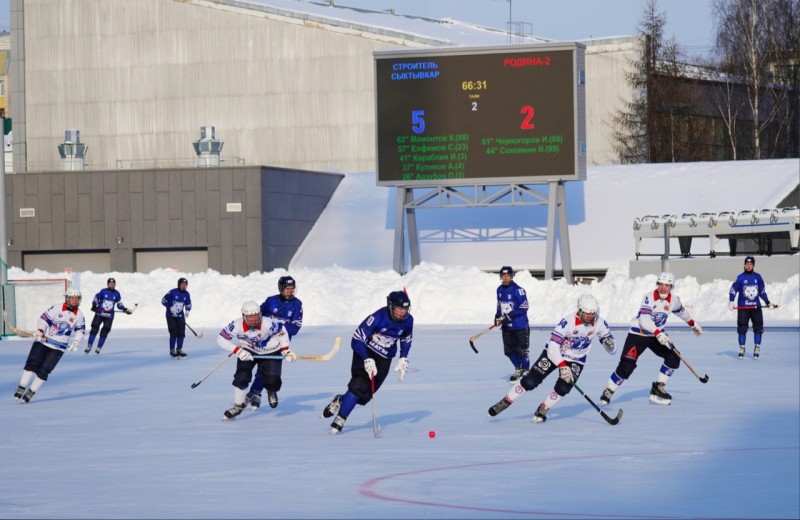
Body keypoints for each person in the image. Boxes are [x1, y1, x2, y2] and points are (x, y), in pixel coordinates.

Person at [487, 294, 616, 423]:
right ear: (580, 310)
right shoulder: (567, 322)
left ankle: (544, 408)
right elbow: (553, 347)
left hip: (577, 359)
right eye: (587, 313)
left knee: (564, 387)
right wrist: (562, 365)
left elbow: (612, 350)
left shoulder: (600, 323)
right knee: (530, 381)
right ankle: (506, 401)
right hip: (554, 354)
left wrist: (609, 345)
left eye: (592, 313)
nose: (590, 316)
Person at [598, 272, 703, 406]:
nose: (663, 288)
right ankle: (609, 391)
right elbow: (644, 319)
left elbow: (681, 312)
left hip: (656, 336)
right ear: (657, 284)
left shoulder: (674, 300)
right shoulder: (649, 297)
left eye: (667, 285)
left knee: (674, 357)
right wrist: (658, 333)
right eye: (661, 284)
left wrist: (693, 324)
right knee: (627, 366)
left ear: (671, 286)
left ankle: (658, 388)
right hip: (638, 334)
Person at [322, 290, 413, 435]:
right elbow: (356, 339)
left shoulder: (408, 321)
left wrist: (403, 357)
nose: (403, 312)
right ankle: (340, 418)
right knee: (358, 386)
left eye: (405, 309)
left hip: (385, 358)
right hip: (366, 352)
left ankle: (340, 400)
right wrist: (366, 358)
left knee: (364, 397)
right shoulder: (377, 317)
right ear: (390, 306)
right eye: (399, 309)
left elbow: (406, 339)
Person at [216, 300, 296, 420]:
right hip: (248, 351)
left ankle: (271, 390)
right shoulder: (236, 325)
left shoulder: (268, 323)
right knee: (241, 377)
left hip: (271, 350)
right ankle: (238, 406)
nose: (253, 319)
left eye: (255, 316)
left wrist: (285, 350)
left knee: (272, 380)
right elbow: (221, 339)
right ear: (243, 316)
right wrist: (238, 351)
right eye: (250, 316)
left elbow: (282, 332)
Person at [13, 288, 86, 403]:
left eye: (77, 298)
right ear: (67, 298)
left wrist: (76, 341)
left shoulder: (79, 315)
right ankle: (21, 387)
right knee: (32, 364)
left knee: (44, 370)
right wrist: (40, 330)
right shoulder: (57, 307)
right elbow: (44, 319)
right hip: (43, 341)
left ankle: (31, 392)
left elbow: (80, 330)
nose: (74, 300)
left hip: (58, 348)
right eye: (72, 298)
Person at [245, 275, 303, 410]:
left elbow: (295, 328)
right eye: (287, 288)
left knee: (272, 370)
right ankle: (258, 392)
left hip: (280, 343)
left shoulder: (297, 304)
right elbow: (256, 316)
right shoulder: (271, 301)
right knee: (263, 367)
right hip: (264, 340)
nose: (290, 291)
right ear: (281, 288)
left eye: (292, 288)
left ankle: (263, 391)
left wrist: (276, 327)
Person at [729, 256, 776, 359]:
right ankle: (742, 348)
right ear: (744, 265)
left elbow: (762, 292)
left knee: (758, 328)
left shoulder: (758, 277)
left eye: (750, 264)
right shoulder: (740, 277)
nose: (748, 266)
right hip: (743, 308)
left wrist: (767, 302)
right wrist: (731, 301)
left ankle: (757, 347)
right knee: (741, 329)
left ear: (753, 265)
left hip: (756, 308)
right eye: (747, 264)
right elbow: (733, 290)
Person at [495, 266, 531, 382]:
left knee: (521, 351)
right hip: (507, 327)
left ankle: (526, 370)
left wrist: (512, 314)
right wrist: (497, 316)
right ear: (501, 277)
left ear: (511, 277)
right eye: (503, 276)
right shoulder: (499, 290)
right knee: (509, 351)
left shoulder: (518, 290)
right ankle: (518, 368)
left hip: (520, 326)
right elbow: (499, 305)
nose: (505, 278)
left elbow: (525, 306)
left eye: (508, 276)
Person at [85, 277, 135, 354]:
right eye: (110, 283)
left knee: (105, 331)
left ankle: (98, 348)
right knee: (94, 329)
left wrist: (125, 309)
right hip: (99, 314)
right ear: (108, 284)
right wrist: (94, 305)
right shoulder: (103, 291)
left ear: (115, 285)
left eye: (113, 284)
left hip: (109, 316)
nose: (112, 285)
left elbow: (119, 304)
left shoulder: (117, 294)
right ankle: (89, 345)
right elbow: (96, 297)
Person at [161, 277, 192, 359]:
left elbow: (188, 303)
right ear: (179, 284)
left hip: (180, 316)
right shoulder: (172, 292)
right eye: (182, 284)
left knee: (181, 333)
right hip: (171, 316)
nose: (184, 286)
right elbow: (163, 300)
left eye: (185, 285)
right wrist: (170, 307)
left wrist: (187, 310)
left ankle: (179, 349)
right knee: (174, 333)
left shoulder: (186, 294)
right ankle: (172, 350)